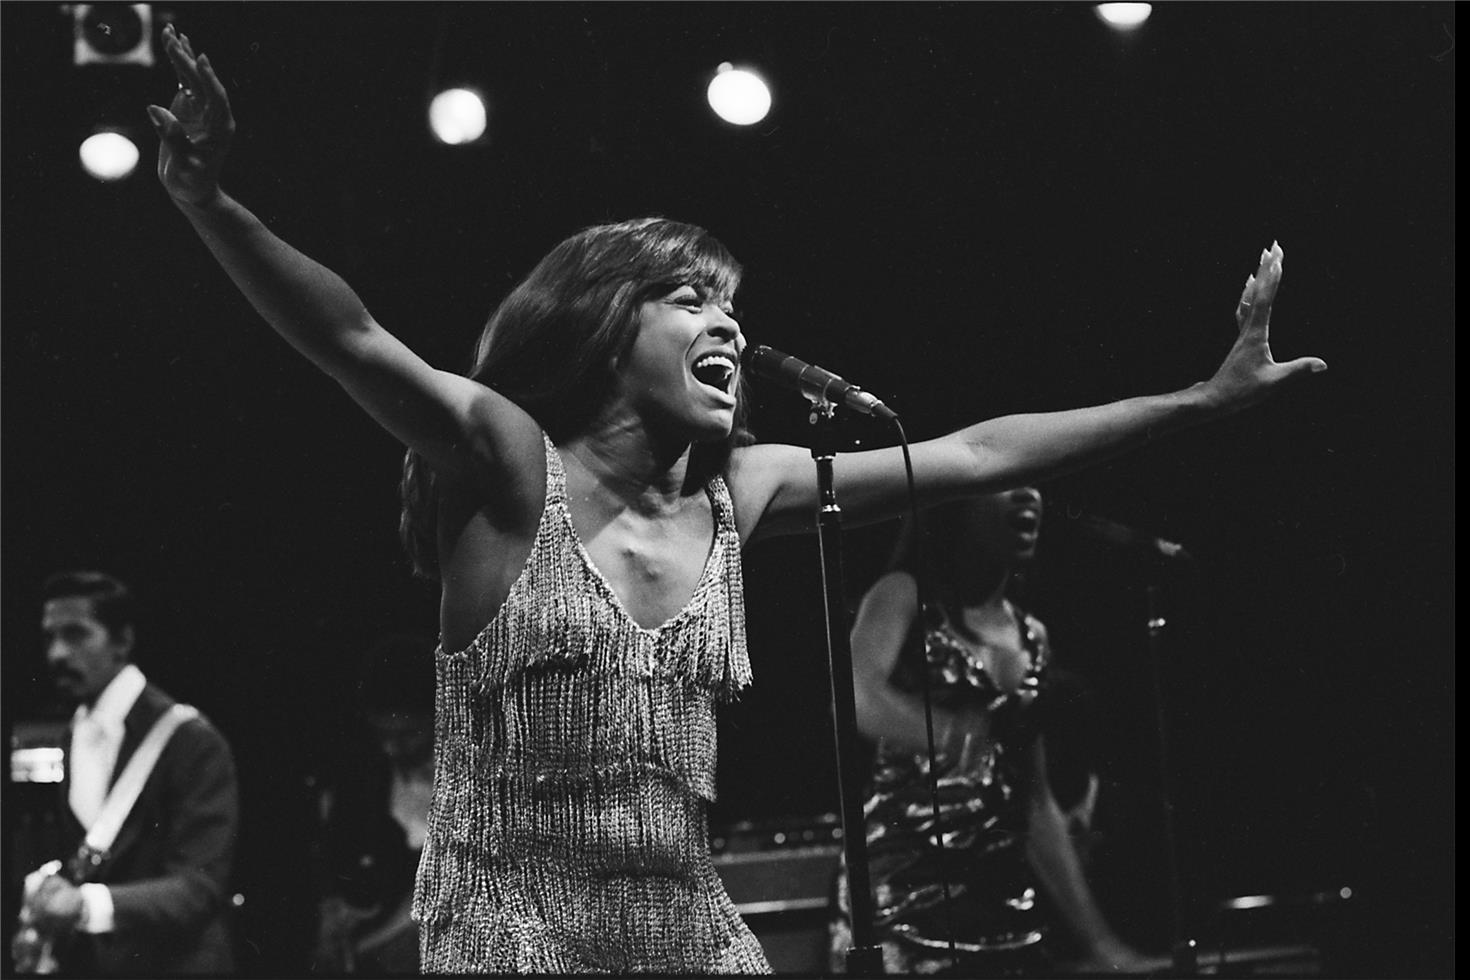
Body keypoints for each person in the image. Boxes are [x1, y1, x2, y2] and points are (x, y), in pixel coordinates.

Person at [145, 23, 1324, 974]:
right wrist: (209, 202)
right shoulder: (513, 464)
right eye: (690, 300)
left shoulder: (742, 489)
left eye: (733, 307)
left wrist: (1196, 403)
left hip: (689, 923)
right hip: (513, 928)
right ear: (607, 325)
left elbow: (976, 452)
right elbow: (351, 337)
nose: (729, 325)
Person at [829, 489, 1154, 976]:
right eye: (1010, 480)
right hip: (902, 901)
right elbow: (852, 697)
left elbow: (1035, 800)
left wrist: (1101, 943)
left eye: (1036, 480)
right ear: (957, 504)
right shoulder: (903, 595)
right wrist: (950, 730)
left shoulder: (1033, 636)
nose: (1030, 493)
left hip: (1001, 909)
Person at [11, 570, 239, 976]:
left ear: (122, 641)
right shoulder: (70, 735)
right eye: (49, 637)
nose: (57, 654)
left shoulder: (192, 741)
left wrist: (86, 905)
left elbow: (200, 889)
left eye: (76, 635)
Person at [309, 633, 436, 975]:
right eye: (384, 736)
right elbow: (336, 865)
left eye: (409, 735)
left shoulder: (472, 780)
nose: (393, 749)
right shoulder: (362, 780)